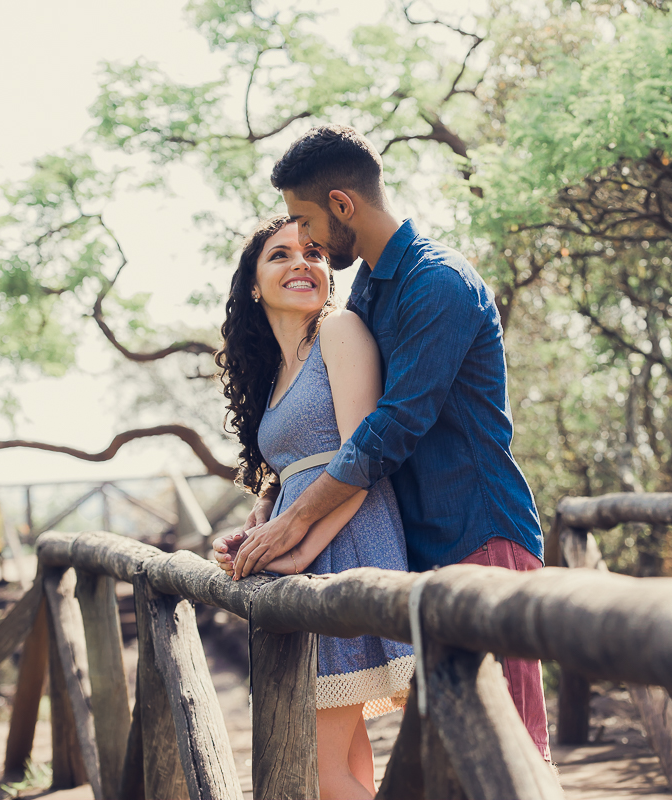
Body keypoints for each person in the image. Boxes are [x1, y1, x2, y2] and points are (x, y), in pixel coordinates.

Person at [214, 124, 551, 760]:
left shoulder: (438, 282)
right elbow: (331, 424)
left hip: (479, 538)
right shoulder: (368, 288)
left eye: (304, 222)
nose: (305, 241)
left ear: (342, 205)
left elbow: (386, 432)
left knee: (511, 760)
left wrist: (291, 532)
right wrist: (271, 508)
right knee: (448, 765)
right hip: (416, 552)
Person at [214, 215, 414, 800]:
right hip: (309, 546)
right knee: (348, 759)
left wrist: (296, 544)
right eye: (280, 254)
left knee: (319, 769)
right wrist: (266, 511)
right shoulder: (278, 369)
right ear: (253, 284)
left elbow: (361, 457)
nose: (302, 262)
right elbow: (297, 465)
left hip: (348, 541)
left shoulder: (340, 329)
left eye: (314, 253)